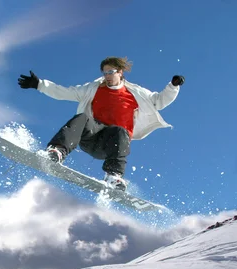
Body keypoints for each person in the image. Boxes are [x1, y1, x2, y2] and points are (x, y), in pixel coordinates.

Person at [17, 56, 184, 191]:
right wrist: (39, 84)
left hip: (112, 144)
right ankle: (57, 151)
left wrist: (173, 86)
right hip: (91, 136)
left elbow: (158, 101)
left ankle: (114, 175)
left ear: (120, 72)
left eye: (111, 72)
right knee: (82, 117)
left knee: (120, 130)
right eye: (105, 73)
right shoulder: (93, 88)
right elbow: (66, 92)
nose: (107, 76)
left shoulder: (135, 93)